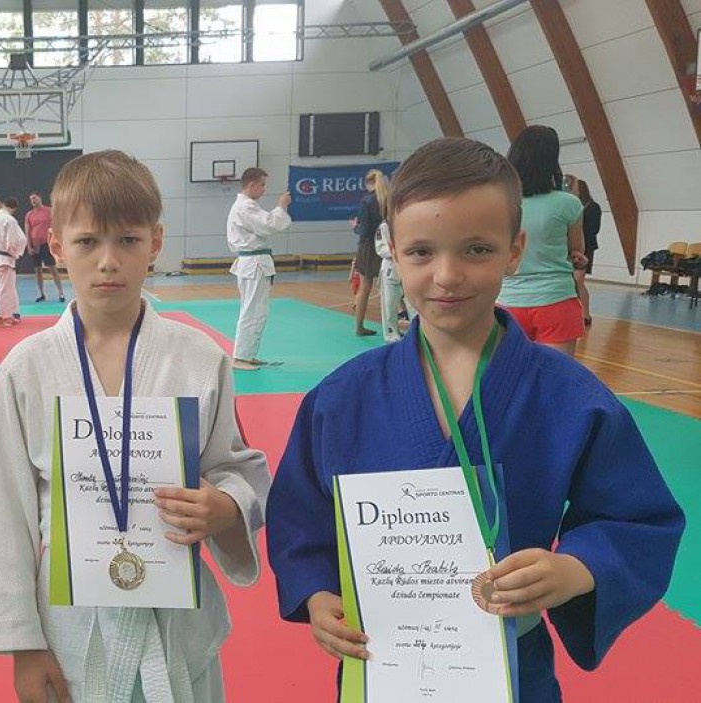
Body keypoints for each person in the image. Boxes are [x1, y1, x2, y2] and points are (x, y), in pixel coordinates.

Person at [265, 138, 684, 701]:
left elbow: (638, 518)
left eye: (477, 250)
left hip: (513, 670)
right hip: (382, 664)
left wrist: (576, 569)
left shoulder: (569, 396)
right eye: (421, 252)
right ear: (391, 250)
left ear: (515, 250)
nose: (447, 275)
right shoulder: (341, 399)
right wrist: (318, 595)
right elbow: (300, 518)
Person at [0, 150, 270, 702]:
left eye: (128, 240)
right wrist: (22, 646)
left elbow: (234, 465)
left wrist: (225, 506)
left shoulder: (200, 358)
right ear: (56, 245)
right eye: (87, 241)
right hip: (69, 622)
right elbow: (2, 508)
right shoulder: (26, 367)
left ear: (155, 242)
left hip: (177, 618)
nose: (108, 261)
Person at [498, 125, 586, 355]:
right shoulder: (568, 203)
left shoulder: (499, 202)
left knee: (507, 372)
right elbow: (576, 250)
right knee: (556, 374)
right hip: (556, 301)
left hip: (506, 301)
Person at [226, 167, 291, 371]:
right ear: (252, 185)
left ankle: (248, 354)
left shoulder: (248, 206)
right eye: (262, 185)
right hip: (253, 263)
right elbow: (269, 225)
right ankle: (240, 357)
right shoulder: (245, 207)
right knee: (252, 311)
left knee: (258, 311)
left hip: (255, 262)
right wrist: (281, 206)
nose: (264, 189)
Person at [352, 169, 388, 337]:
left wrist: (355, 227)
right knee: (392, 287)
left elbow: (364, 229)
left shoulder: (367, 201)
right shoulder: (388, 199)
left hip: (369, 247)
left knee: (365, 287)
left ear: (368, 183)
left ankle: (359, 326)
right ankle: (392, 325)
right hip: (386, 245)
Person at [0, 197, 28, 327]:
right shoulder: (10, 220)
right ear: (14, 208)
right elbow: (12, 242)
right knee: (5, 289)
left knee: (6, 288)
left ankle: (9, 314)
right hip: (6, 258)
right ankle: (2, 317)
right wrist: (16, 254)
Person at [373, 219, 414, 342]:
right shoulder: (384, 226)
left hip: (409, 269)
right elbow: (380, 249)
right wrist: (398, 252)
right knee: (389, 306)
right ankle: (392, 336)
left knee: (414, 306)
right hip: (390, 270)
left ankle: (417, 334)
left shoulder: (410, 222)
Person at [569, 177, 601, 327]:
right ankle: (575, 313)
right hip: (574, 247)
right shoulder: (572, 206)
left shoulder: (593, 207)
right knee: (574, 282)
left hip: (586, 247)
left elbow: (594, 229)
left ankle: (585, 314)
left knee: (579, 281)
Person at [25, 192, 64, 302]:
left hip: (47, 244)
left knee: (52, 268)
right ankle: (41, 294)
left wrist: (57, 240)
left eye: (34, 198)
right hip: (35, 244)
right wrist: (29, 246)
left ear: (39, 198)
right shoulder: (29, 215)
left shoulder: (49, 211)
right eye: (31, 199)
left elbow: (57, 225)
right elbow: (27, 231)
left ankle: (61, 293)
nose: (33, 200)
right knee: (37, 270)